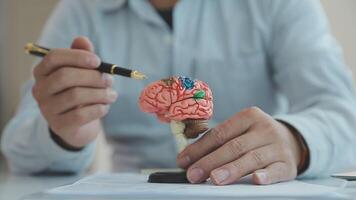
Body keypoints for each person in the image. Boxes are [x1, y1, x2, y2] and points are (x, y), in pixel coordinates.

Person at [2, 0, 356, 185]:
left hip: (248, 187)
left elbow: (344, 113)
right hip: (134, 191)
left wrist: (295, 140)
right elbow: (20, 148)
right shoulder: (82, 9)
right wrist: (63, 133)